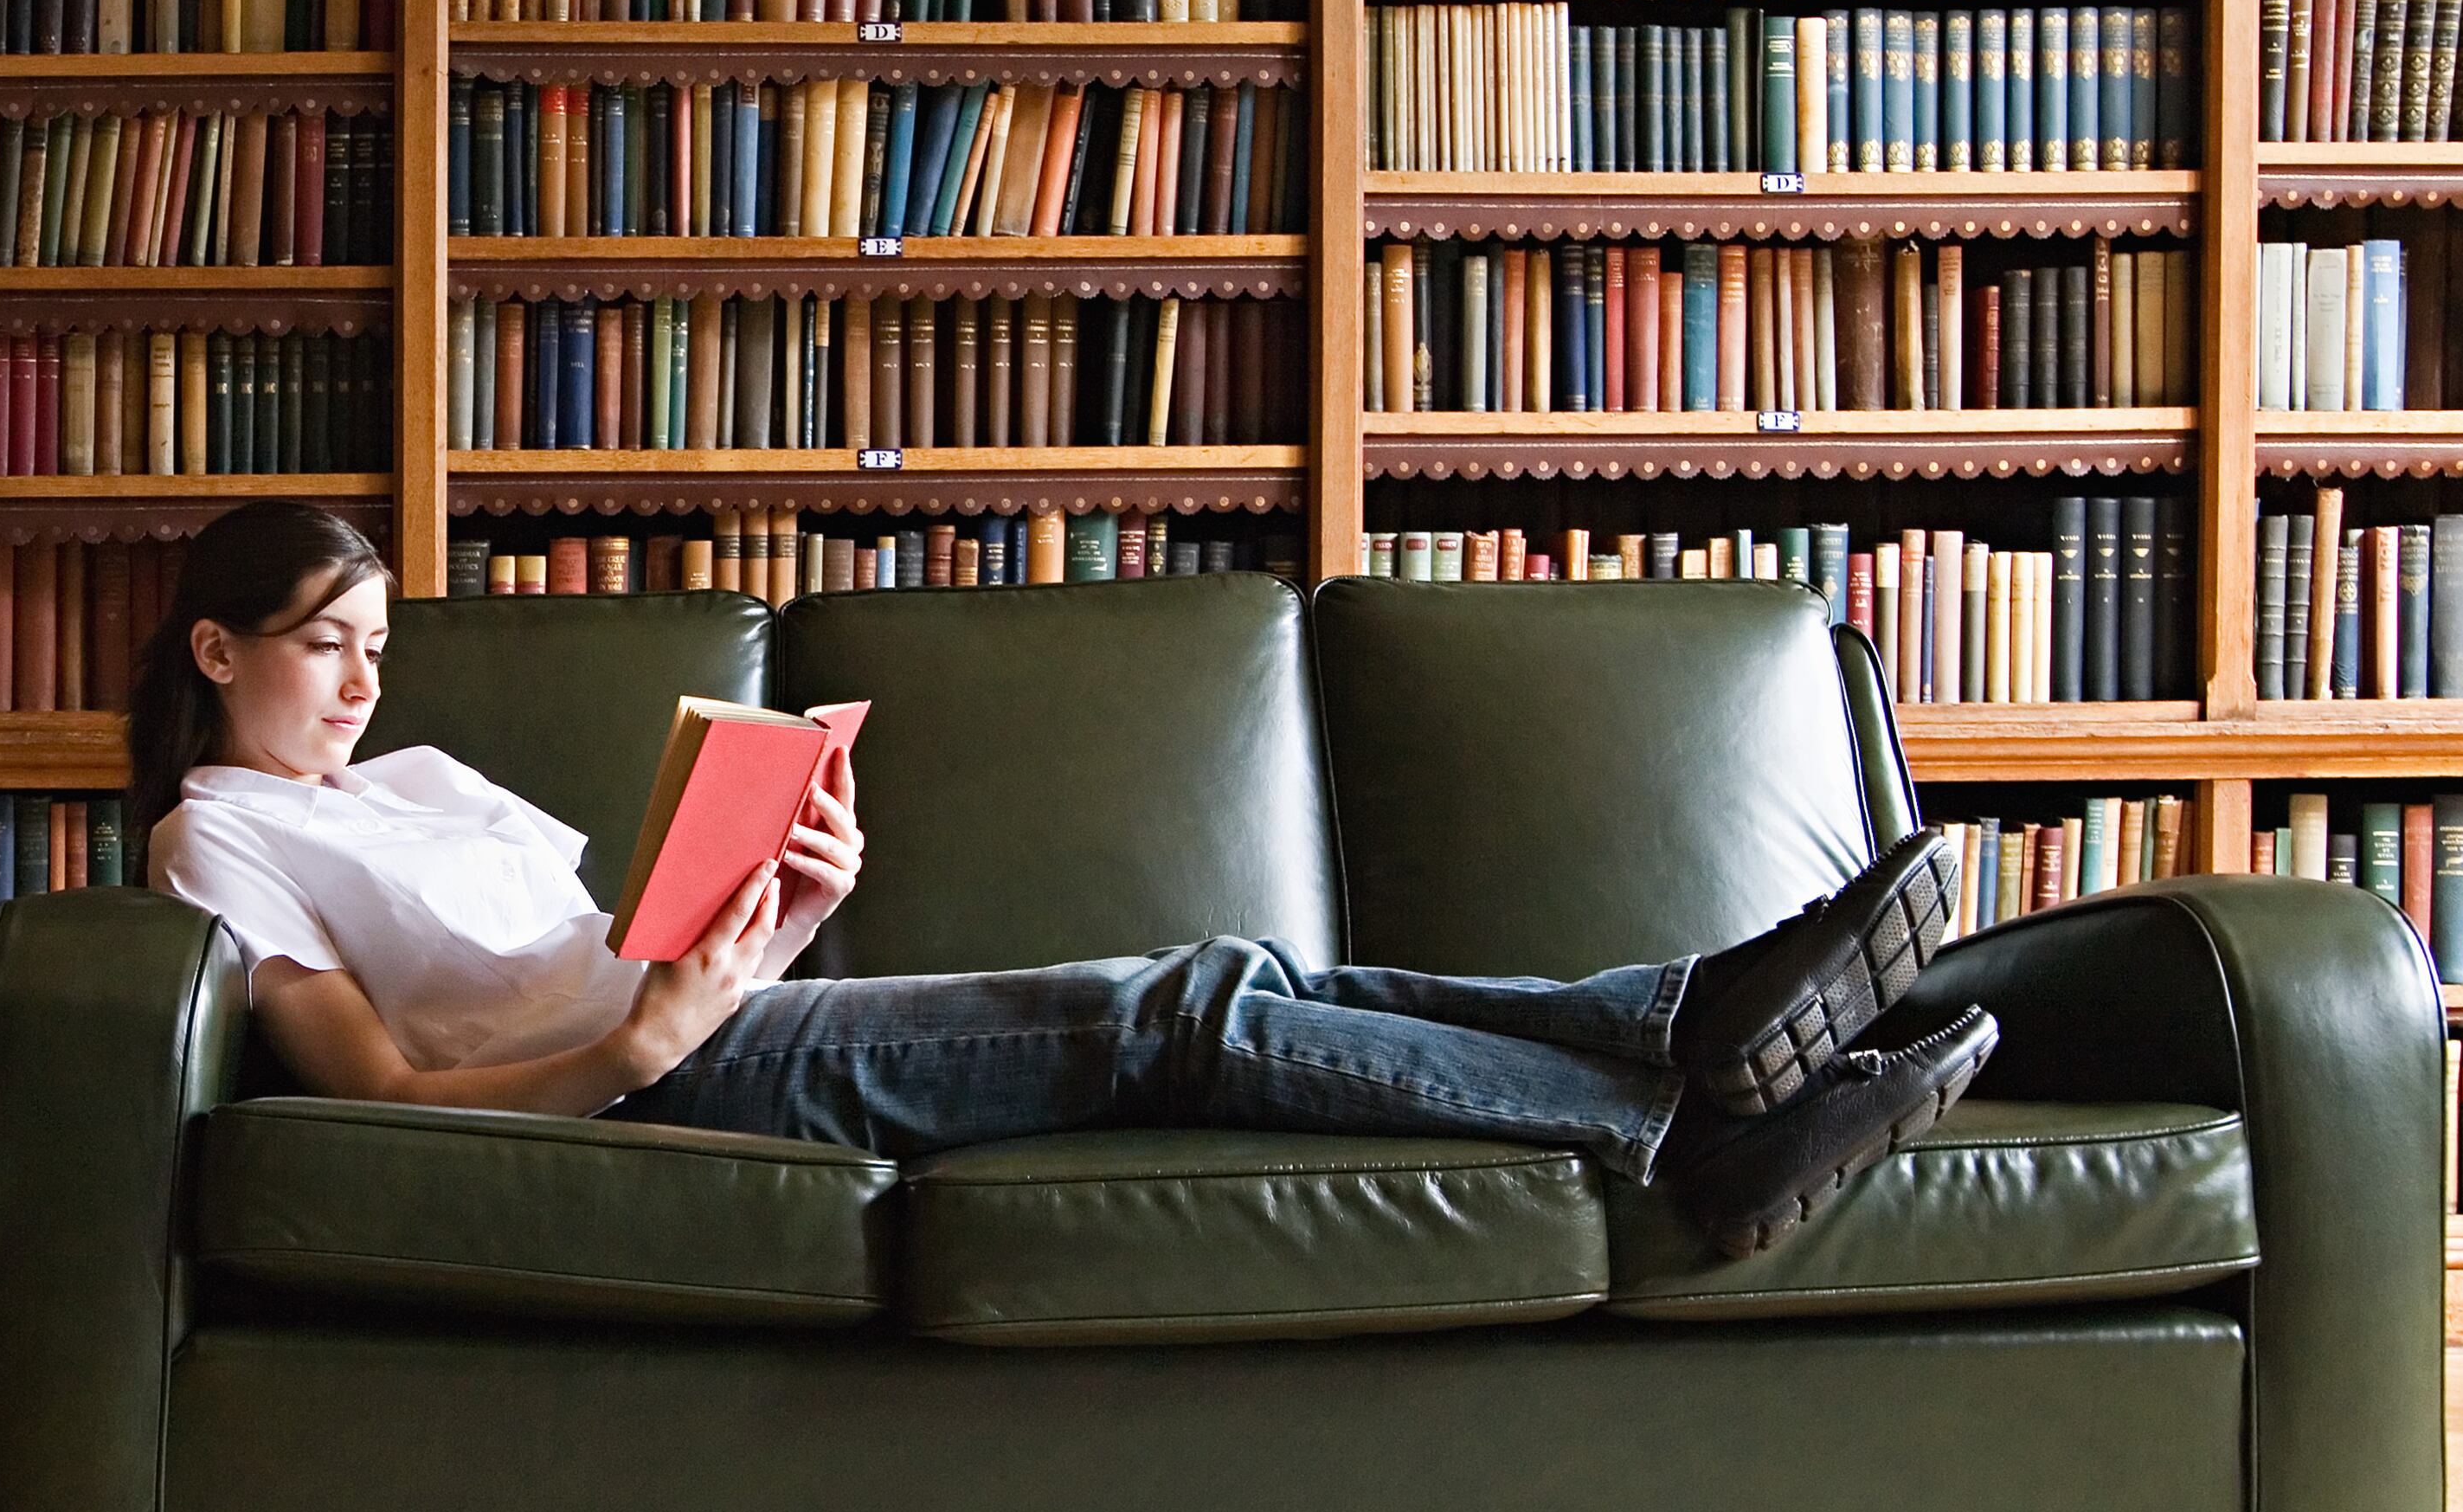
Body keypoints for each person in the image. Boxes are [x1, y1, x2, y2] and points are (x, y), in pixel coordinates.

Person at [128, 500, 1996, 1258]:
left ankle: (1690, 1031)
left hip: (721, 1019)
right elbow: (379, 1091)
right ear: (217, 653)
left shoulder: (420, 775)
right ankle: (1689, 1111)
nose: (365, 680)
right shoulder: (218, 837)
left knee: (1237, 972)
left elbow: (605, 949)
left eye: (376, 642)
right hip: (664, 1088)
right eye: (322, 645)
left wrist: (773, 909)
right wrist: (638, 1050)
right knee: (1178, 1006)